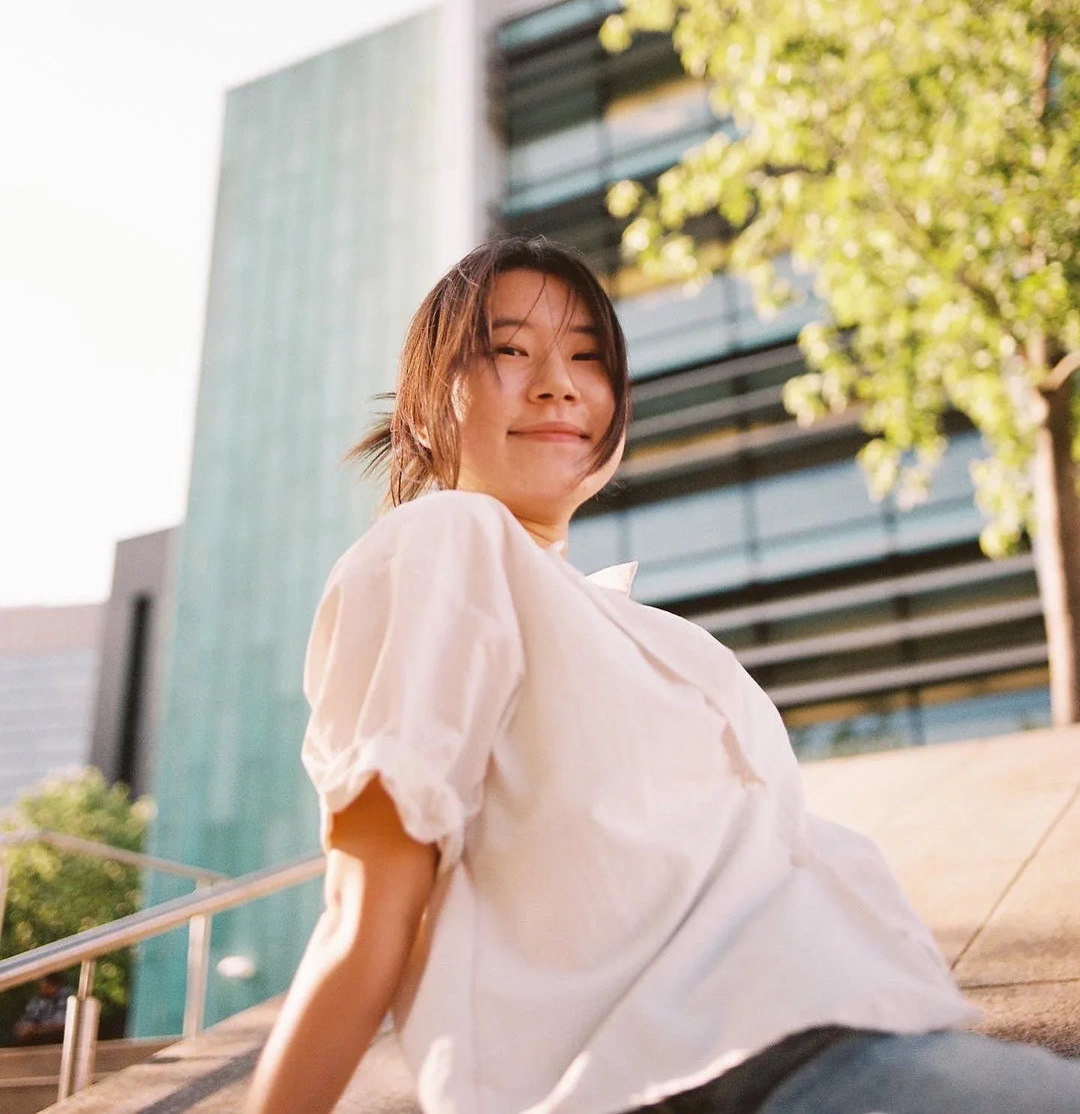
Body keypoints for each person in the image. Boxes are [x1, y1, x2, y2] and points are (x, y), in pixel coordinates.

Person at [246, 237, 1080, 1114]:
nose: (558, 382)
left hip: (856, 1046)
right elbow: (366, 910)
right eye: (509, 349)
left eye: (586, 356)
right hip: (746, 1079)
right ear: (426, 403)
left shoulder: (642, 631)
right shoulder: (446, 542)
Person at [13, 973, 72, 1044]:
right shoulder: (40, 999)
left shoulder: (67, 997)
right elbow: (29, 1016)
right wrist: (23, 1026)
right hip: (38, 1040)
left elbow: (61, 1024)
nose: (40, 987)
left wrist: (35, 1029)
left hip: (61, 1041)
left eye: (43, 983)